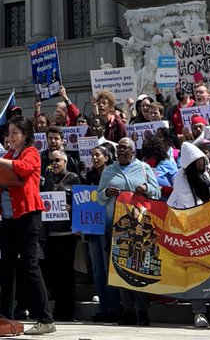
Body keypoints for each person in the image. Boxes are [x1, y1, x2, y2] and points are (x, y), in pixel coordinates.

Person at [0, 116, 55, 335]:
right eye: (8, 133)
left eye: (15, 133)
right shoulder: (8, 155)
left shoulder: (30, 153)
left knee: (30, 266)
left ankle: (45, 318)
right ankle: (5, 317)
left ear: (25, 136)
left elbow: (22, 169)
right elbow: (0, 181)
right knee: (6, 268)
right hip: (9, 219)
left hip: (28, 216)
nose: (10, 137)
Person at [98, 136, 160, 327]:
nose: (122, 152)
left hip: (140, 227)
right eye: (119, 149)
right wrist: (107, 192)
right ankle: (127, 309)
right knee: (120, 267)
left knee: (139, 268)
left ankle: (142, 310)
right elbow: (99, 197)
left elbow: (157, 192)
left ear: (133, 151)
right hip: (117, 228)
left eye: (125, 148)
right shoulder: (109, 170)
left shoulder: (143, 168)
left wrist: (146, 187)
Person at [169, 141, 210, 328]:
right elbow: (189, 204)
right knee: (196, 271)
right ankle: (199, 312)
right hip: (191, 227)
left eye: (202, 160)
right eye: (195, 162)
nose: (200, 164)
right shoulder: (180, 178)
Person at [40, 149, 79, 322]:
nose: (54, 163)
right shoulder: (48, 178)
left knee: (66, 272)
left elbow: (81, 201)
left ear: (65, 161)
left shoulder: (74, 178)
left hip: (67, 232)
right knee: (54, 273)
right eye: (51, 161)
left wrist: (72, 208)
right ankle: (56, 308)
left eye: (57, 160)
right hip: (51, 232)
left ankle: (68, 309)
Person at [83, 145, 119, 323]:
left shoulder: (113, 174)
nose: (95, 158)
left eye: (98, 155)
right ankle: (103, 306)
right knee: (97, 269)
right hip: (91, 227)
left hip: (108, 225)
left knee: (108, 267)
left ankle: (114, 306)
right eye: (92, 155)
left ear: (107, 157)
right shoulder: (88, 176)